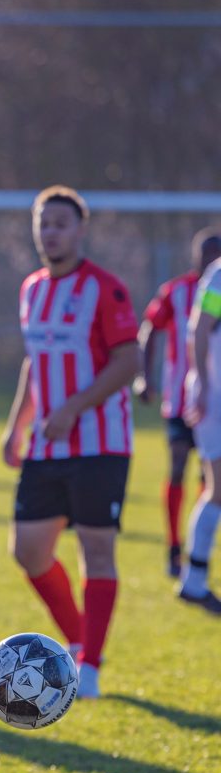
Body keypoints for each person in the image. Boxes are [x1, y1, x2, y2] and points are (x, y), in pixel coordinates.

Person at [1, 186, 140, 700]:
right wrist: (17, 424)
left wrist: (73, 409)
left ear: (80, 230)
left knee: (96, 552)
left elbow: (129, 361)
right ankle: (79, 639)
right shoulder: (31, 288)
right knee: (28, 551)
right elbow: (33, 361)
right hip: (46, 447)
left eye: (60, 223)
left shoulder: (105, 288)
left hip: (101, 445)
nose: (51, 232)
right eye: (44, 223)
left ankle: (92, 666)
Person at [135, 229, 221, 576]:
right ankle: (176, 548)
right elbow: (156, 329)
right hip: (189, 397)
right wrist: (145, 377)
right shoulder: (183, 289)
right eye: (206, 253)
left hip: (209, 398)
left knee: (210, 481)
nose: (210, 258)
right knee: (181, 467)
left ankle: (196, 557)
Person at [178, 255, 221, 613]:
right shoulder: (220, 274)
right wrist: (204, 383)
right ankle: (193, 580)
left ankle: (194, 579)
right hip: (215, 397)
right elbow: (200, 327)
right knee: (218, 487)